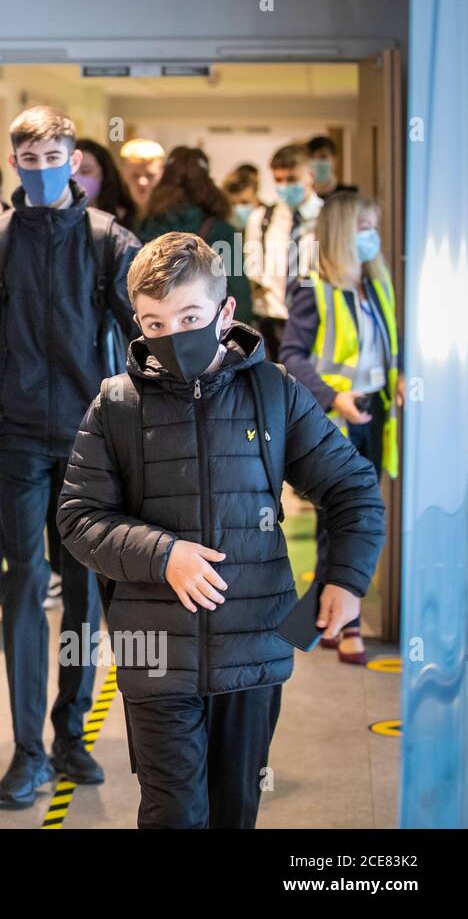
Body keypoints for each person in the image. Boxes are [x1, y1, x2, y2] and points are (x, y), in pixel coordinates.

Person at [58, 232, 385, 829]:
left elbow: (352, 488)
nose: (172, 335)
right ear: (136, 320)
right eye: (154, 323)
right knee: (174, 814)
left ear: (225, 311)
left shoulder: (274, 394)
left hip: (253, 649)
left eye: (189, 316)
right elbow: (79, 520)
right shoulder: (115, 405)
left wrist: (346, 577)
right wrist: (164, 554)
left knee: (236, 813)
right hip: (153, 654)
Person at [0, 105, 139, 806]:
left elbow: (146, 337)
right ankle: (28, 752)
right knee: (24, 583)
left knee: (84, 590)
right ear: (15, 159)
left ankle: (71, 732)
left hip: (93, 440)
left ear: (73, 155)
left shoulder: (108, 239)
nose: (40, 166)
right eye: (27, 157)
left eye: (53, 153)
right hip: (20, 438)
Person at [280, 191, 401, 665]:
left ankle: (327, 620)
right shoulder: (313, 288)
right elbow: (290, 357)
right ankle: (341, 622)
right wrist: (335, 398)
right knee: (341, 520)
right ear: (340, 233)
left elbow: (387, 347)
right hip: (334, 421)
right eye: (363, 227)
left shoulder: (376, 286)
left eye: (374, 226)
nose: (371, 236)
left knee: (357, 517)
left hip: (374, 415)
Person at [138, 146, 254, 324]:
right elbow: (239, 296)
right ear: (207, 181)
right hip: (202, 327)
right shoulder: (221, 230)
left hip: (156, 328)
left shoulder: (143, 226)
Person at [244, 143, 323, 361]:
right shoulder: (261, 219)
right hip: (272, 319)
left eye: (291, 179)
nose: (284, 186)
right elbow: (253, 269)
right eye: (278, 180)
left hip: (314, 317)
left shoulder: (327, 217)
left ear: (310, 175)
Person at [75, 138, 139, 232]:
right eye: (69, 172)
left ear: (105, 174)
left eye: (85, 171)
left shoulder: (126, 219)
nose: (76, 179)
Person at [118, 138, 166, 216]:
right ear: (122, 174)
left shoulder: (173, 213)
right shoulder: (112, 210)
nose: (142, 182)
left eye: (150, 176)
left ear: (162, 173)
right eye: (135, 176)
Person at [306, 135, 358, 202]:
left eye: (323, 157)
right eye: (312, 157)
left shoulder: (351, 194)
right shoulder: (302, 196)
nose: (317, 162)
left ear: (335, 160)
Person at [222, 164, 267, 234]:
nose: (238, 208)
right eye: (233, 203)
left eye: (244, 202)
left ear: (256, 197)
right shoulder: (221, 228)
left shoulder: (271, 223)